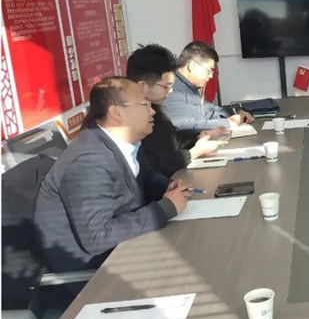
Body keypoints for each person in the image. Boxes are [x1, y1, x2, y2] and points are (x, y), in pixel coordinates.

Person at [34, 77, 191, 275]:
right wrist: (164, 209)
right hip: (97, 272)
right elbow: (97, 237)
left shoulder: (122, 143)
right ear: (117, 113)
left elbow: (144, 175)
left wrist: (167, 186)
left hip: (128, 248)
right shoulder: (89, 162)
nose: (152, 111)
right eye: (144, 105)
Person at [126, 44, 228, 177]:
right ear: (143, 86)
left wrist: (197, 139)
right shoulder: (131, 120)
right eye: (166, 87)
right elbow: (157, 164)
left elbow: (170, 145)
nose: (171, 91)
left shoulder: (157, 107)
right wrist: (194, 152)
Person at [163, 41, 253, 133]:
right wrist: (227, 123)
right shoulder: (172, 88)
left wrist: (235, 111)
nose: (210, 76)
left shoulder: (189, 86)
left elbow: (208, 110)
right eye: (209, 71)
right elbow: (181, 125)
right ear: (192, 66)